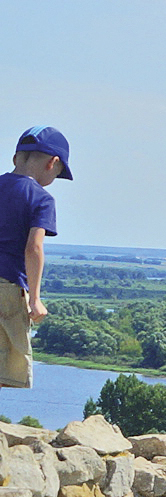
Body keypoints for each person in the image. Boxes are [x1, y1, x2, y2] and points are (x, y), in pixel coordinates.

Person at [0, 128, 71, 391]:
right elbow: (33, 248)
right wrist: (34, 299)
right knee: (4, 366)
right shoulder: (41, 198)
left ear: (15, 157)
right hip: (6, 287)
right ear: (53, 162)